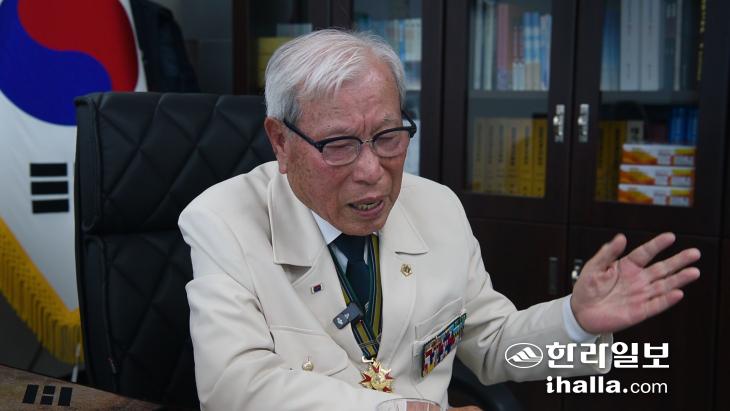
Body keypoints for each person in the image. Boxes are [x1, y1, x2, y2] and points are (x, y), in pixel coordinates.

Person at [178, 29, 700, 410]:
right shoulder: (223, 220)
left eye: (388, 137)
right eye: (338, 145)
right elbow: (232, 390)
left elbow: (495, 349)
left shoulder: (437, 207)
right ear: (280, 141)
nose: (371, 171)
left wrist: (575, 323)